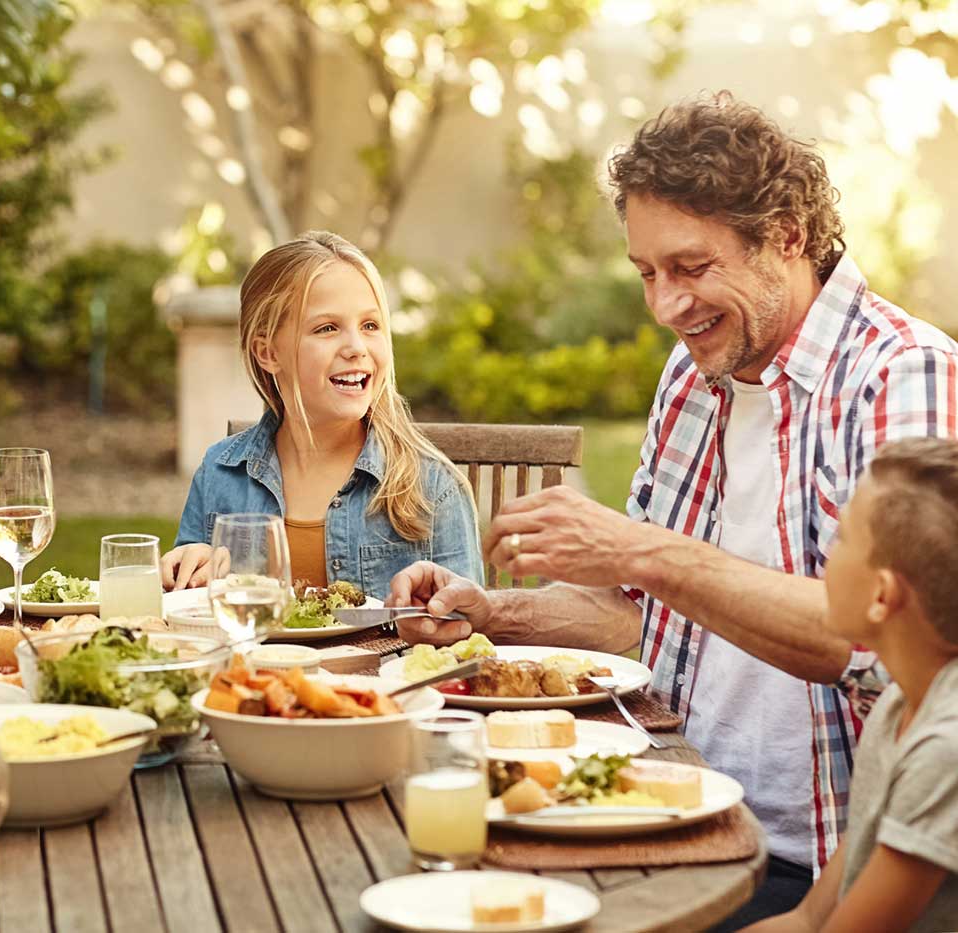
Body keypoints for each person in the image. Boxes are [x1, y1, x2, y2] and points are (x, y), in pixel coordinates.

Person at [388, 93, 958, 923]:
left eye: (691, 268)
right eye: (647, 273)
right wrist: (493, 612)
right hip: (672, 813)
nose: (664, 306)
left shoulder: (902, 376)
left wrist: (641, 550)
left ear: (787, 235)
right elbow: (647, 623)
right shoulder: (694, 376)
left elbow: (877, 641)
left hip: (823, 861)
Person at [161, 231, 481, 596]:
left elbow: (464, 634)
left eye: (370, 326)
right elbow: (184, 622)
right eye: (327, 328)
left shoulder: (432, 488)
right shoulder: (220, 475)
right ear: (268, 353)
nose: (356, 348)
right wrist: (189, 571)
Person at [746, 438, 958, 932]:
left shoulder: (943, 751)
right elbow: (806, 920)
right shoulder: (901, 703)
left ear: (881, 596)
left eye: (841, 539)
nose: (825, 558)